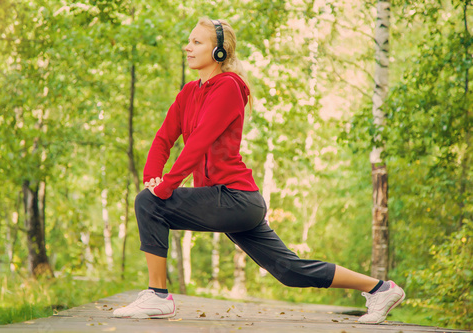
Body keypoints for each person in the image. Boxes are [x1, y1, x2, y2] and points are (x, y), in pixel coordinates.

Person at [113, 17, 405, 324]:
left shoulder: (227, 87)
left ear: (220, 52)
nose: (187, 47)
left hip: (234, 198)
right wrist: (152, 177)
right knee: (289, 270)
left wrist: (165, 187)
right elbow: (163, 138)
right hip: (232, 202)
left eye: (197, 42)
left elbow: (198, 143)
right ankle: (380, 289)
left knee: (149, 204)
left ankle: (158, 295)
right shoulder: (189, 92)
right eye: (189, 41)